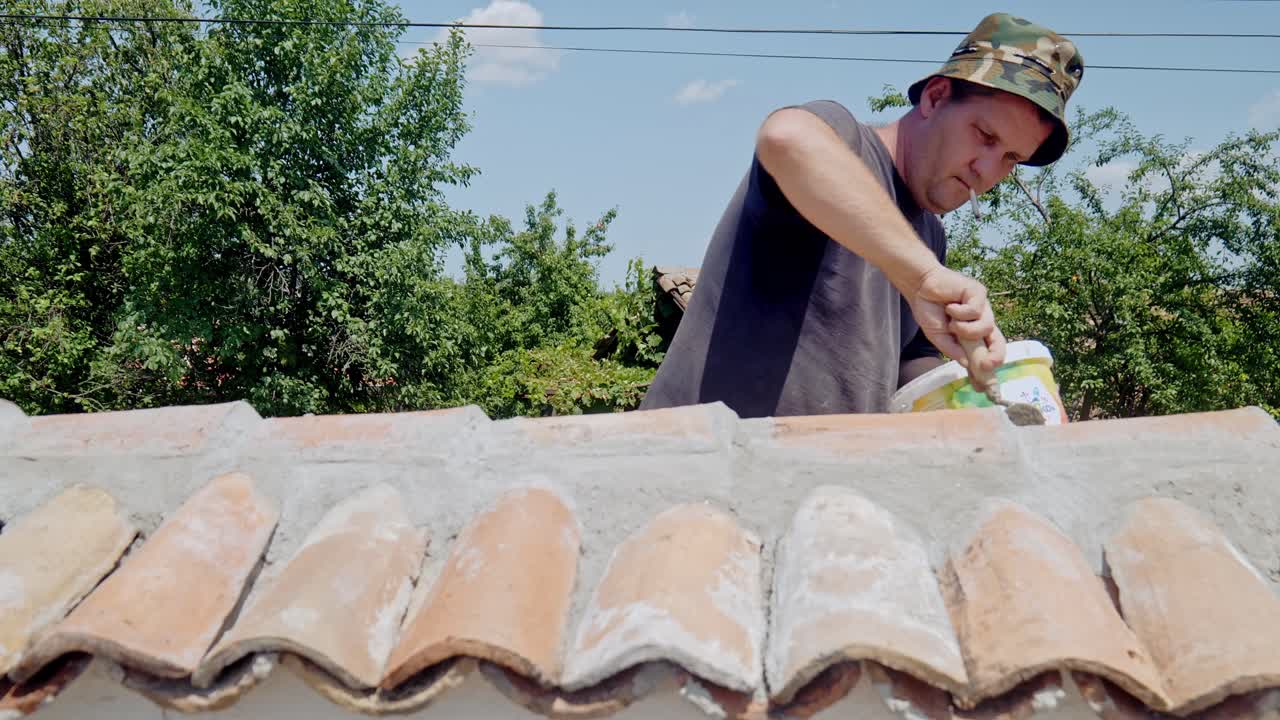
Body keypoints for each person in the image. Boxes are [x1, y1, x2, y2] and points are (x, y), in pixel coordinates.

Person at [639, 12, 1084, 419]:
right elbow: (786, 138)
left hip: (800, 485)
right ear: (935, 96)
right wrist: (922, 276)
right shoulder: (846, 142)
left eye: (1010, 157)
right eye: (985, 136)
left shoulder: (928, 235)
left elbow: (909, 367)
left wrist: (997, 384)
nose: (987, 171)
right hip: (695, 467)